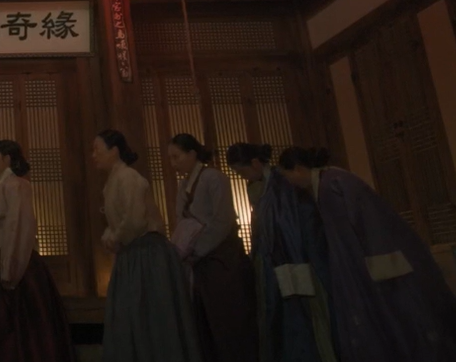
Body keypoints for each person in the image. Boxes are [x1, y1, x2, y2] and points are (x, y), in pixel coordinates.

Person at [278, 147, 456, 362]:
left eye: (288, 176)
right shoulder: (333, 180)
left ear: (298, 169)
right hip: (371, 258)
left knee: (393, 323)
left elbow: (353, 236)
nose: (291, 183)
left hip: (368, 262)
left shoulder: (331, 186)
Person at [94, 129, 200, 362]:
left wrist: (114, 237)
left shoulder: (128, 177)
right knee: (134, 318)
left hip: (147, 255)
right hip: (133, 254)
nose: (94, 155)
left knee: (150, 318)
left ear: (114, 151)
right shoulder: (113, 180)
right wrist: (111, 235)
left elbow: (134, 220)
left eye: (97, 150)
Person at [228, 143, 336, 362]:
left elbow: (296, 222)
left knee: (303, 318)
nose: (242, 177)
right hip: (270, 263)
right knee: (277, 320)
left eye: (242, 172)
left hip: (295, 257)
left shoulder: (282, 183)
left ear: (255, 163)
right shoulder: (260, 186)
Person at [0, 140, 74, 362]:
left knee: (15, 325)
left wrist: (9, 268)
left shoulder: (16, 185)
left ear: (7, 159)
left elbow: (17, 226)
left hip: (9, 263)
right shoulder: (3, 186)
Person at [168, 134, 257, 362]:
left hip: (222, 259)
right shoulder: (182, 185)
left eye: (177, 157)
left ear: (192, 154)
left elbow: (223, 221)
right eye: (171, 158)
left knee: (229, 322)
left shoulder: (214, 178)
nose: (173, 163)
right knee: (205, 324)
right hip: (198, 264)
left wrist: (197, 249)